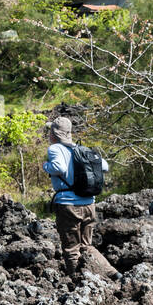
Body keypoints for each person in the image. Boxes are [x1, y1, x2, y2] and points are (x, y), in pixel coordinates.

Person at [42, 116, 116, 277]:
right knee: (87, 246)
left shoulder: (55, 149)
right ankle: (113, 274)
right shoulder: (83, 150)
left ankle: (76, 283)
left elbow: (59, 167)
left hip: (69, 206)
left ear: (54, 134)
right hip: (89, 204)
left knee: (71, 249)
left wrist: (45, 166)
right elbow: (105, 166)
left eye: (50, 132)